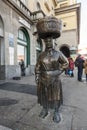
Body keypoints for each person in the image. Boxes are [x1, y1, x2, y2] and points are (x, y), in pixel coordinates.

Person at [35, 38, 69, 123]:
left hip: (55, 79)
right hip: (43, 78)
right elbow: (37, 67)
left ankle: (56, 111)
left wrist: (58, 71)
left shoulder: (58, 54)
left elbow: (66, 63)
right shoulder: (41, 55)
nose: (48, 42)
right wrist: (37, 76)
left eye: (50, 41)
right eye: (47, 41)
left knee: (55, 96)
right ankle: (45, 109)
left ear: (54, 42)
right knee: (44, 95)